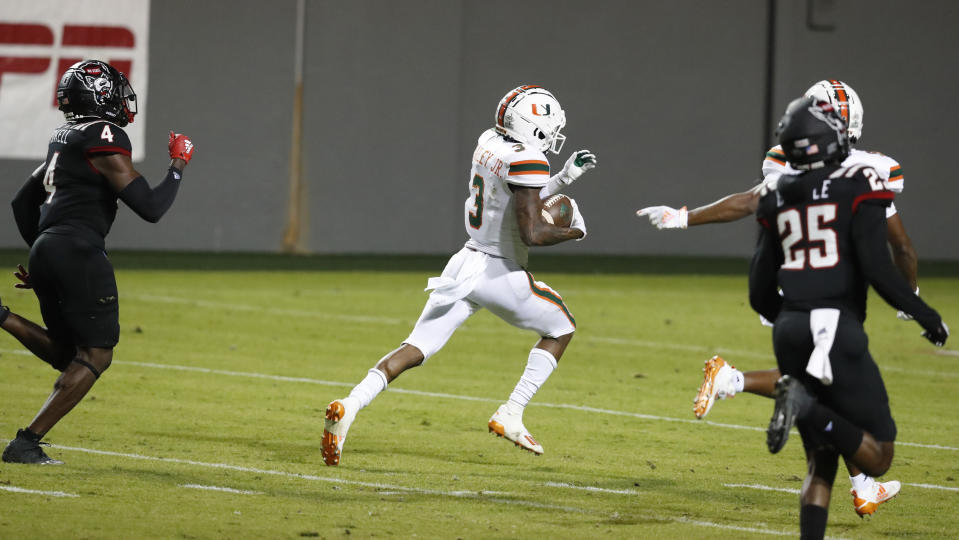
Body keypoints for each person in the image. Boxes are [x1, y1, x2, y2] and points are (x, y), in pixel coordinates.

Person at [638, 80, 913, 515]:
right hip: (831, 293)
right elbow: (899, 247)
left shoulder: (788, 159)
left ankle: (861, 485)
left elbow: (749, 202)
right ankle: (733, 380)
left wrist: (682, 218)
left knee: (827, 389)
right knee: (826, 387)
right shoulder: (869, 169)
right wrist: (909, 294)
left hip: (793, 284)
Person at [321, 85, 596, 466]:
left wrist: (564, 178)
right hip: (500, 272)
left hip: (464, 263)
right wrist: (575, 231)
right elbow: (531, 231)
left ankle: (349, 405)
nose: (553, 135)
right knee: (561, 328)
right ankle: (511, 412)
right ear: (533, 127)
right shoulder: (529, 160)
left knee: (415, 346)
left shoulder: (489, 142)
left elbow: (517, 196)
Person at [748, 96, 948, 539]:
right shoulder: (859, 183)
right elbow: (880, 268)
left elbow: (759, 289)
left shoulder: (776, 194)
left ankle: (804, 404)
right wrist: (923, 313)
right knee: (877, 457)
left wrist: (785, 318)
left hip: (789, 327)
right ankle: (803, 403)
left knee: (821, 462)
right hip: (837, 328)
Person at [1, 60, 195, 464]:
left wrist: (43, 253)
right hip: (79, 251)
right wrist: (178, 165)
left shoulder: (65, 136)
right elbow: (151, 207)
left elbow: (22, 201)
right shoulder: (105, 135)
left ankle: (3, 316)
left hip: (49, 247)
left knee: (68, 353)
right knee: (96, 355)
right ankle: (27, 441)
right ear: (101, 96)